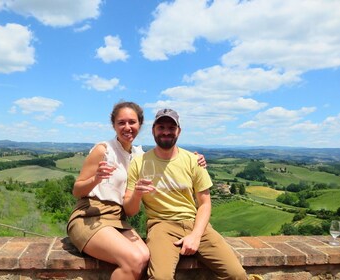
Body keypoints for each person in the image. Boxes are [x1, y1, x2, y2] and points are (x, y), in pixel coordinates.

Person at [67, 102, 207, 280]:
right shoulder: (103, 150)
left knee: (145, 257)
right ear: (114, 125)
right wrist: (96, 179)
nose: (127, 127)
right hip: (90, 216)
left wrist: (196, 158)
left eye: (132, 122)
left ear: (140, 125)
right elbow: (77, 190)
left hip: (118, 218)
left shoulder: (139, 156)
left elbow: (164, 155)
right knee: (133, 260)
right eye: (121, 123)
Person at [123, 108, 248, 280]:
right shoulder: (139, 164)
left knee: (237, 275)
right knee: (160, 278)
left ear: (178, 131)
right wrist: (137, 194)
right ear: (153, 130)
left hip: (194, 223)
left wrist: (195, 236)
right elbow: (130, 210)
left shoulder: (193, 161)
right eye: (161, 127)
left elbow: (205, 203)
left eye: (171, 128)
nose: (166, 132)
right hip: (161, 225)